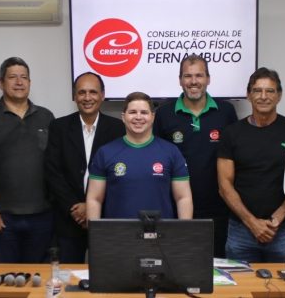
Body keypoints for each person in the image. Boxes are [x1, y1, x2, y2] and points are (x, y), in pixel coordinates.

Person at [217, 67, 285, 262]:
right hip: (241, 231)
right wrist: (252, 222)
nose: (263, 96)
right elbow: (224, 186)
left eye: (270, 91)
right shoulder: (231, 133)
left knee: (283, 282)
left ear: (279, 95)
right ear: (248, 95)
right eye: (257, 90)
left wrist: (277, 218)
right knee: (240, 282)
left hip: (281, 230)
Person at [0, 57, 55, 262]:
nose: (19, 82)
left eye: (24, 77)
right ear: (1, 83)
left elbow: (54, 164)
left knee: (38, 276)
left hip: (42, 216)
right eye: (12, 77)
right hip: (1, 216)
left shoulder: (46, 117)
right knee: (4, 276)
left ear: (30, 82)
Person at [153, 54, 238, 257]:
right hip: (175, 209)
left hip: (218, 208)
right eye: (187, 76)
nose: (193, 81)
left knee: (215, 267)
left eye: (199, 75)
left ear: (208, 79)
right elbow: (156, 160)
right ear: (180, 80)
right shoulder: (164, 113)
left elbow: (237, 154)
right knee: (176, 264)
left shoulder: (226, 111)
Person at [44, 72, 125, 262]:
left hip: (105, 218)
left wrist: (93, 206)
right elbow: (52, 172)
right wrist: (75, 208)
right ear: (74, 96)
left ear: (102, 95)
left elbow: (119, 175)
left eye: (93, 92)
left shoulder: (118, 129)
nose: (87, 98)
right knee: (69, 276)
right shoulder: (59, 127)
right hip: (69, 218)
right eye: (81, 92)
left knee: (107, 273)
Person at [86, 91, 193, 220]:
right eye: (132, 112)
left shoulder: (171, 152)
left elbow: (183, 198)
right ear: (123, 117)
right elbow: (94, 199)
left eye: (144, 112)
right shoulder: (105, 153)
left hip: (161, 231)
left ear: (152, 117)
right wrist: (95, 231)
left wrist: (184, 231)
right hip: (117, 231)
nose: (138, 117)